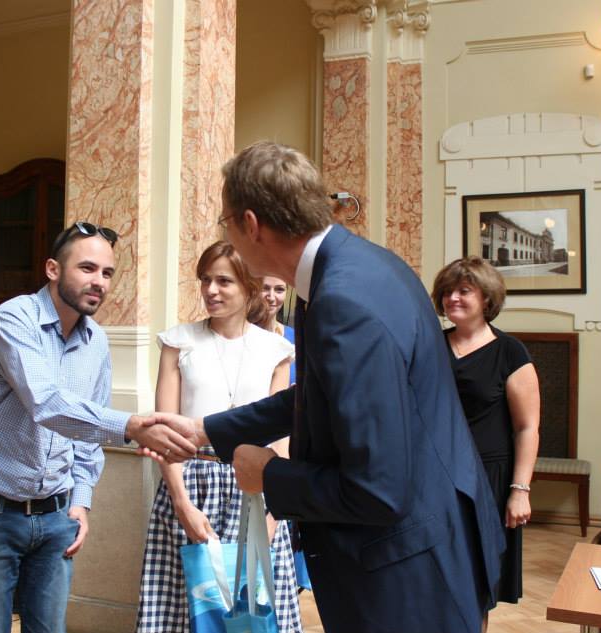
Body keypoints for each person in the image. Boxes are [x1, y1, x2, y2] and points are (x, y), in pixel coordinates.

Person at [151, 141, 506, 633]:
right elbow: (323, 396)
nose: (226, 232)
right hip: (431, 534)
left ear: (251, 225)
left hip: (404, 571)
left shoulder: (343, 301)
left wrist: (269, 474)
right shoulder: (365, 265)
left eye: (224, 222)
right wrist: (205, 430)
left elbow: (379, 491)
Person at [0, 222, 196, 633]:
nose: (99, 282)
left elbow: (88, 432)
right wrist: (132, 426)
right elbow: (46, 402)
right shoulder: (14, 318)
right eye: (87, 268)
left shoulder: (97, 342)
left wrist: (80, 502)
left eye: (107, 273)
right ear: (53, 269)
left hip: (57, 518)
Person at [136, 241, 301, 633]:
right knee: (186, 611)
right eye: (205, 280)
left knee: (253, 613)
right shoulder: (178, 342)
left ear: (249, 285)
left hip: (255, 489)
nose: (211, 290)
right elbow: (166, 435)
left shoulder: (277, 350)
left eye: (224, 281)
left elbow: (280, 441)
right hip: (191, 483)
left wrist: (275, 511)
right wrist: (182, 504)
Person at [431, 256, 540, 612]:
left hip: (488, 480)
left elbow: (527, 428)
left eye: (464, 290)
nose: (452, 298)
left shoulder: (510, 352)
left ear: (487, 298)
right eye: (447, 291)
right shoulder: (431, 345)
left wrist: (520, 491)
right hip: (436, 475)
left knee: (477, 588)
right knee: (434, 580)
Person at [259, 275, 295, 377]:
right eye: (264, 288)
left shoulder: (295, 337)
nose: (271, 297)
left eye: (279, 290)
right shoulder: (241, 335)